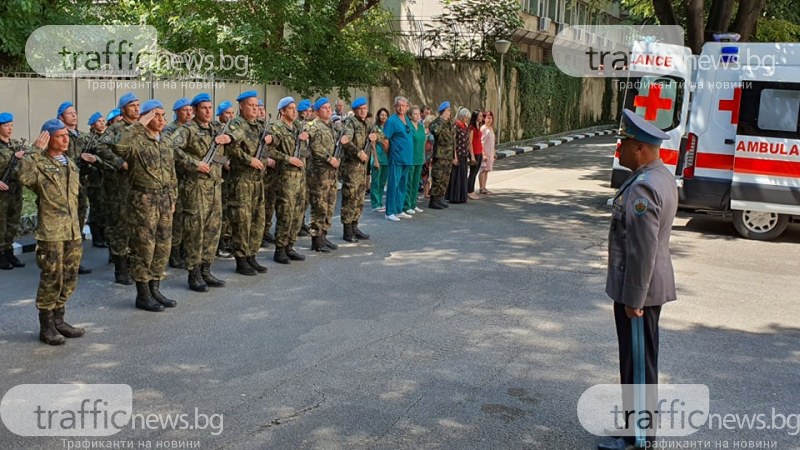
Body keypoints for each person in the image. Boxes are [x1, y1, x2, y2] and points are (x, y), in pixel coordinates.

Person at [599, 109, 677, 450]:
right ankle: (636, 429)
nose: (620, 150)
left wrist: (633, 299)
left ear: (641, 149)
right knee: (637, 361)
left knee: (638, 364)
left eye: (625, 144)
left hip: (639, 293)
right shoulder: (659, 176)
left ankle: (638, 439)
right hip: (644, 289)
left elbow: (643, 250)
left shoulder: (643, 189)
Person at [18, 120, 84, 345]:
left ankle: (59, 320)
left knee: (69, 275)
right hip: (52, 232)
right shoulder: (39, 164)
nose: (66, 139)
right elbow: (24, 177)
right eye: (60, 136)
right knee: (51, 277)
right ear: (48, 138)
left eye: (67, 135)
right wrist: (34, 150)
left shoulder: (71, 164)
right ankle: (46, 327)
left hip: (73, 231)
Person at [113, 99, 179, 312]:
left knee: (163, 246)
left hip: (165, 200)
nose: (161, 120)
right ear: (146, 117)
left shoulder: (166, 141)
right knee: (144, 247)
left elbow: (172, 173)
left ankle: (155, 287)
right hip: (144, 201)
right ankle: (142, 294)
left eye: (162, 115)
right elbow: (119, 147)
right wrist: (140, 124)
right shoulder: (136, 140)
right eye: (155, 115)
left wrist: (173, 199)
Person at [170, 93, 231, 292]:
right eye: (203, 108)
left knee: (213, 230)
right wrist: (193, 163)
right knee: (196, 231)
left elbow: (234, 137)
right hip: (195, 187)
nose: (208, 111)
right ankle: (193, 273)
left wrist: (228, 137)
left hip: (214, 185)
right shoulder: (187, 129)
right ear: (195, 110)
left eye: (210, 108)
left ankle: (206, 269)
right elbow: (170, 148)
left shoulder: (215, 128)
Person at [224, 91, 271, 276]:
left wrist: (271, 140)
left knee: (257, 220)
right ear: (241, 106)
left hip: (258, 180)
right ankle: (241, 259)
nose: (254, 108)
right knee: (241, 221)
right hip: (242, 179)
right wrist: (248, 160)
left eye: (256, 105)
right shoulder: (237, 124)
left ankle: (252, 255)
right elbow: (231, 147)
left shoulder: (260, 125)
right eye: (250, 105)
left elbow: (270, 146)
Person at [95, 92, 138, 286]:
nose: (136, 109)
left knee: (136, 227)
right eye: (132, 106)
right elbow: (100, 147)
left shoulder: (141, 128)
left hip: (138, 185)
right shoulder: (115, 129)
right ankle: (121, 268)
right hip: (119, 186)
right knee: (121, 225)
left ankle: (133, 264)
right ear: (123, 109)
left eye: (138, 105)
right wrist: (119, 162)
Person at [267, 97, 310, 264]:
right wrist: (287, 159)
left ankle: (290, 246)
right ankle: (280, 249)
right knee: (286, 213)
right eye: (290, 108)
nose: (294, 110)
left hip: (300, 177)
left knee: (298, 213)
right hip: (285, 177)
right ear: (282, 111)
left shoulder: (298, 127)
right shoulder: (276, 128)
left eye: (294, 108)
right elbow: (268, 150)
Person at [58, 101, 96, 275]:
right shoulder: (57, 136)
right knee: (64, 224)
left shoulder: (83, 137)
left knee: (78, 224)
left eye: (75, 112)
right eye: (69, 113)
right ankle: (61, 262)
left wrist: (92, 160)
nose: (74, 115)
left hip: (81, 187)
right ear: (61, 117)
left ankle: (74, 261)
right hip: (64, 188)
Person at [305, 98, 341, 252]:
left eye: (329, 107)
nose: (328, 110)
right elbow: (314, 145)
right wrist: (329, 158)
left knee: (329, 205)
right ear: (318, 111)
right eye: (324, 108)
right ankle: (316, 240)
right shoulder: (314, 125)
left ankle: (324, 236)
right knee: (319, 206)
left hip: (331, 174)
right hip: (319, 174)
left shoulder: (331, 126)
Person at [340, 97, 378, 242]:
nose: (363, 111)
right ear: (355, 110)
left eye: (365, 108)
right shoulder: (350, 122)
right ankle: (347, 230)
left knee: (360, 198)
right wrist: (358, 152)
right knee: (350, 196)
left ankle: (355, 226)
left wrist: (375, 136)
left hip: (362, 167)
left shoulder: (367, 123)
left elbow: (378, 133)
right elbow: (346, 140)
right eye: (360, 109)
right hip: (352, 166)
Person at [164, 98, 193, 270]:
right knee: (177, 217)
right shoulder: (170, 130)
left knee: (187, 216)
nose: (189, 113)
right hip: (177, 178)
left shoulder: (192, 129)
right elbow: (171, 151)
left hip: (190, 179)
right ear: (176, 112)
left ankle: (183, 249)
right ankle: (174, 253)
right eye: (185, 110)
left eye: (190, 110)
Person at [0, 112, 26, 270]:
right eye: (6, 125)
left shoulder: (16, 144)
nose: (10, 128)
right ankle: (1, 253)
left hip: (15, 190)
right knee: (0, 223)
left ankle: (8, 250)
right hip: (1, 193)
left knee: (13, 222)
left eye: (11, 125)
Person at [382, 96, 414, 222]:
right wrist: (389, 154)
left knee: (402, 185)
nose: (401, 107)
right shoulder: (392, 121)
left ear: (407, 107)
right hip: (396, 157)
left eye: (403, 105)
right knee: (393, 185)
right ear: (395, 107)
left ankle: (399, 209)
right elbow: (385, 139)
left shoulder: (406, 119)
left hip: (407, 158)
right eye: (398, 105)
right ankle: (389, 211)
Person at [216, 100, 236, 258]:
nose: (230, 116)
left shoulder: (233, 131)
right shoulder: (217, 130)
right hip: (219, 177)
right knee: (221, 211)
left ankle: (228, 239)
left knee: (230, 210)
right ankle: (220, 241)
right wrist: (225, 162)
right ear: (220, 115)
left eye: (232, 113)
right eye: (227, 113)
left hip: (233, 177)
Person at [428, 102, 454, 210]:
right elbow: (434, 130)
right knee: (438, 178)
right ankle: (434, 200)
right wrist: (441, 119)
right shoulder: (437, 122)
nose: (449, 112)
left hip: (448, 155)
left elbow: (453, 140)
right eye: (448, 110)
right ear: (442, 111)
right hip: (440, 155)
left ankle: (440, 197)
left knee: (445, 178)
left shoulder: (449, 123)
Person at [403, 105, 426, 216]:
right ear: (410, 116)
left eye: (418, 114)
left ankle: (413, 203)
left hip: (419, 157)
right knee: (409, 182)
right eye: (415, 114)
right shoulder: (408, 126)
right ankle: (407, 205)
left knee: (416, 182)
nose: (417, 116)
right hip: (410, 158)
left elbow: (424, 142)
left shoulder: (421, 127)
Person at [446, 108, 472, 204]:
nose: (467, 119)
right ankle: (454, 196)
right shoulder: (456, 126)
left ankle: (461, 196)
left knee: (463, 176)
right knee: (456, 176)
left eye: (467, 118)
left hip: (464, 154)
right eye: (465, 117)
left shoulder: (465, 126)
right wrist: (454, 156)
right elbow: (453, 143)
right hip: (458, 154)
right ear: (461, 116)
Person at [369, 108, 390, 212]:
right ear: (378, 116)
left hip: (386, 158)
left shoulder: (389, 128)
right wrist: (375, 160)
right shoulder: (375, 128)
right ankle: (375, 203)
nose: (384, 117)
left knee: (382, 182)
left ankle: (380, 202)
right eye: (382, 115)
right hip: (378, 157)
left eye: (386, 115)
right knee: (376, 182)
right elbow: (372, 145)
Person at [466, 110, 484, 200]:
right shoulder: (472, 128)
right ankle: (470, 191)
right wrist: (472, 155)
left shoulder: (478, 126)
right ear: (476, 116)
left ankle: (471, 190)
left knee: (475, 172)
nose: (482, 117)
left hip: (479, 151)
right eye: (480, 116)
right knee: (473, 173)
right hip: (475, 153)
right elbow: (470, 142)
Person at [478, 111, 496, 195]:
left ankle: (484, 187)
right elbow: (481, 142)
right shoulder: (483, 128)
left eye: (491, 118)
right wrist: (483, 154)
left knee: (486, 170)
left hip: (490, 152)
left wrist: (494, 152)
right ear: (484, 119)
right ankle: (481, 188)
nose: (490, 120)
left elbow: (492, 142)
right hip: (484, 152)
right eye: (488, 118)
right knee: (482, 170)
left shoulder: (490, 128)